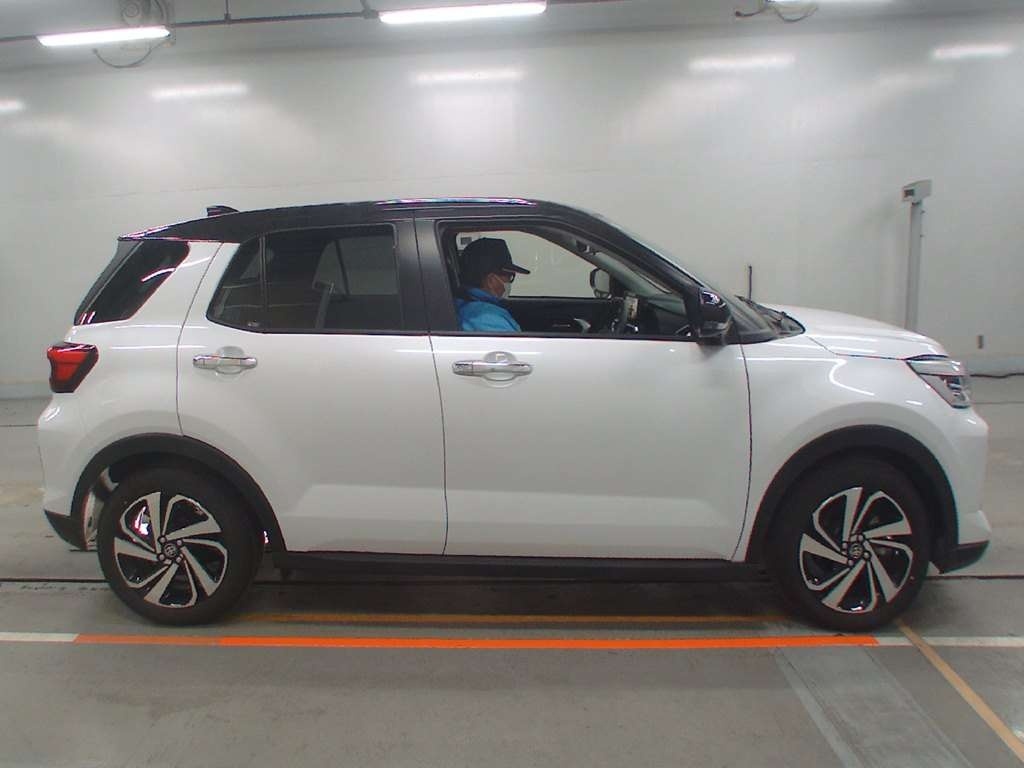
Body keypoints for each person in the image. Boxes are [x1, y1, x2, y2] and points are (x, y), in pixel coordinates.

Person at [456, 237, 531, 332]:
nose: (509, 282)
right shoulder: (488, 318)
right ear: (491, 280)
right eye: (510, 277)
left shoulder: (462, 304)